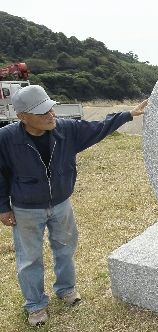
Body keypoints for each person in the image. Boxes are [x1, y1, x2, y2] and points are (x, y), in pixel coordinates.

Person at [0, 85, 147, 326]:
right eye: (42, 112)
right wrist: (3, 207)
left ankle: (66, 290)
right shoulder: (5, 138)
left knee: (65, 249)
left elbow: (99, 128)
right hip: (26, 209)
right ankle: (35, 305)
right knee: (29, 258)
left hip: (61, 204)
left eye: (50, 108)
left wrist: (127, 115)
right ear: (22, 117)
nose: (50, 115)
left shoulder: (66, 130)